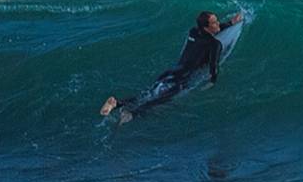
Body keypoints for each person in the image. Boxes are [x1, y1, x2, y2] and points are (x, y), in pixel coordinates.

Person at [99, 10, 243, 123]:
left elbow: (210, 32)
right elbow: (214, 66)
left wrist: (230, 23)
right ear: (206, 28)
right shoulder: (214, 44)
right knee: (161, 99)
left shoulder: (193, 31)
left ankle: (117, 103)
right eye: (214, 22)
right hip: (182, 78)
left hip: (172, 72)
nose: (218, 23)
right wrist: (212, 82)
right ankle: (131, 114)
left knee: (149, 92)